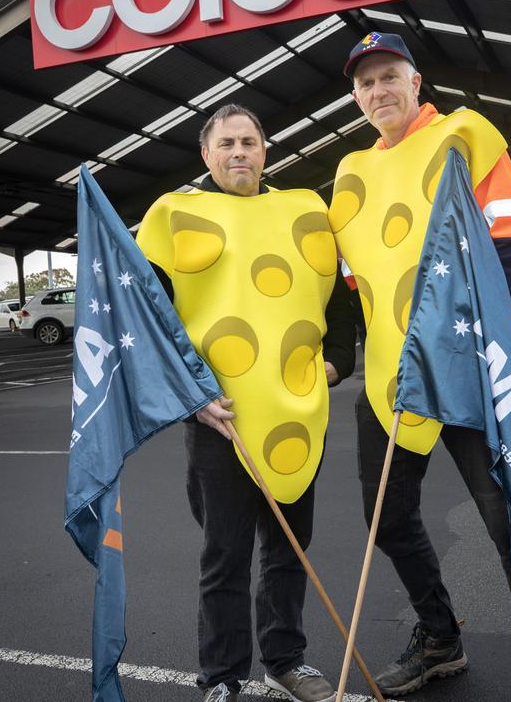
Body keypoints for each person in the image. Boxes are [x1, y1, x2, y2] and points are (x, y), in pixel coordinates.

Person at [328, 33, 511, 702]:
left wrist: (445, 328)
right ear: (356, 97)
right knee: (389, 518)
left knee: (509, 519)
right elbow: (355, 284)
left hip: (467, 365)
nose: (379, 91)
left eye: (389, 77)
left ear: (415, 81)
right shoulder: (351, 173)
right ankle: (440, 637)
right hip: (391, 377)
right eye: (365, 84)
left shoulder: (466, 136)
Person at [136, 103, 355, 702]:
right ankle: (223, 675)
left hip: (296, 413)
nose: (239, 152)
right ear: (205, 155)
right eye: (226, 143)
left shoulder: (305, 211)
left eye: (250, 141)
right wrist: (190, 397)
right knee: (225, 555)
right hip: (219, 418)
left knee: (289, 549)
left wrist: (335, 364)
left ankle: (286, 660)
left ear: (266, 150)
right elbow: (149, 320)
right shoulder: (175, 214)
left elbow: (339, 302)